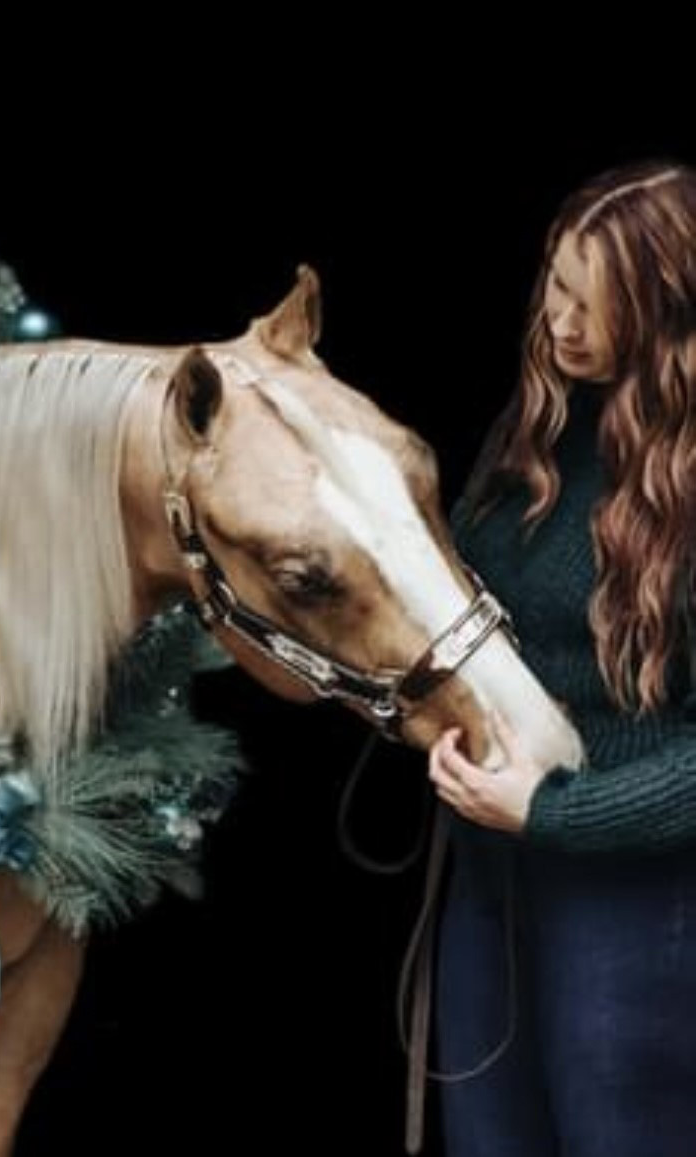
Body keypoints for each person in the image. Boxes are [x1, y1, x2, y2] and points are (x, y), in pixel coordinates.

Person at [425, 159, 696, 1157]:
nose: (561, 323)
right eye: (555, 284)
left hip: (637, 895)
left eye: (597, 302)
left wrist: (554, 812)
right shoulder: (534, 428)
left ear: (667, 307)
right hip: (487, 872)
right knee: (486, 1139)